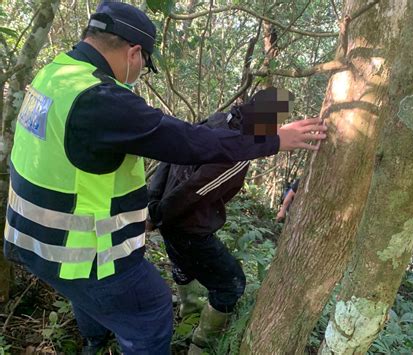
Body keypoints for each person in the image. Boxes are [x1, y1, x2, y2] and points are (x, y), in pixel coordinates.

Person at [3, 2, 327, 354]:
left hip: (31, 240)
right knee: (153, 309)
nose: (141, 69)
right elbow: (186, 145)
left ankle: (94, 342)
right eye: (144, 62)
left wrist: (149, 212)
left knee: (89, 296)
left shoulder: (56, 73)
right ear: (134, 52)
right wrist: (275, 141)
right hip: (80, 252)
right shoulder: (101, 99)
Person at [147, 88, 299, 352]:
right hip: (185, 226)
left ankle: (190, 313)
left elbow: (171, 157)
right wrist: (158, 215)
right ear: (271, 123)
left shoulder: (219, 119)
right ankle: (200, 345)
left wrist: (153, 203)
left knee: (184, 264)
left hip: (169, 216)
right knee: (231, 285)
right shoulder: (238, 155)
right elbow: (194, 192)